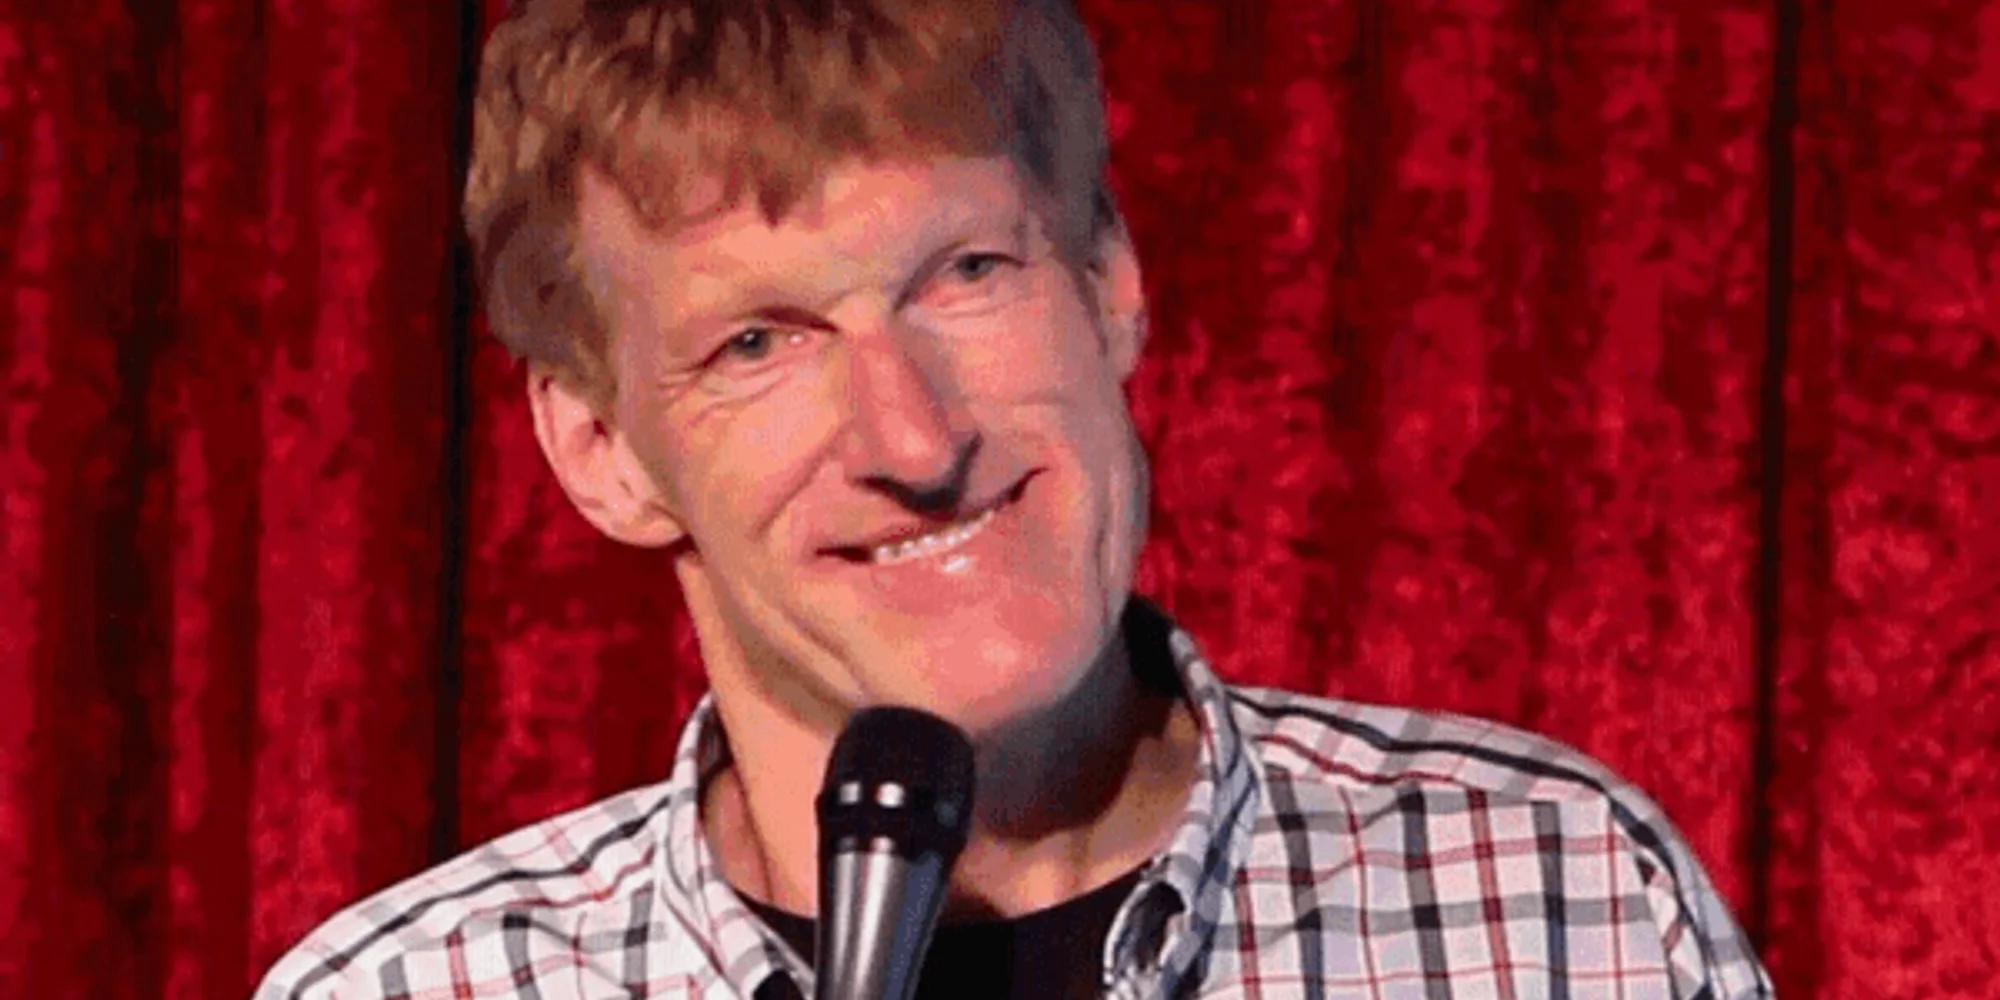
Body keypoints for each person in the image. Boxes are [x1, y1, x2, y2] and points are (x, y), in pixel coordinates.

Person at [256, 1, 1775, 997]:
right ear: (602, 450)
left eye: (966, 272)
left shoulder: (1568, 900)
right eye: (759, 343)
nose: (914, 436)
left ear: (1108, 284)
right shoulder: (413, 986)